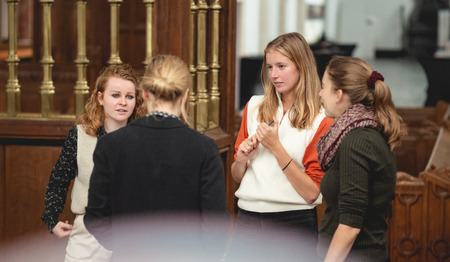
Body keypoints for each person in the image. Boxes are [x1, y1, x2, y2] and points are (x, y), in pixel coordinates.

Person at [83, 54, 228, 260]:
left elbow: (96, 218)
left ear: (145, 94)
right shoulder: (204, 148)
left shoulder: (110, 145)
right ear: (186, 95)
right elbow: (216, 228)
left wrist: (126, 245)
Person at [230, 32, 333, 250]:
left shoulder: (321, 118)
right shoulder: (254, 106)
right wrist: (241, 160)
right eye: (270, 67)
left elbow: (311, 192)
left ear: (301, 67)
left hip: (293, 222)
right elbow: (237, 176)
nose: (274, 75)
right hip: (247, 217)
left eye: (281, 66)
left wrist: (276, 147)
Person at [41, 64, 145, 262]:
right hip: (88, 235)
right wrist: (51, 219)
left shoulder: (143, 140)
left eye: (129, 97)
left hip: (132, 236)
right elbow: (59, 180)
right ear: (100, 98)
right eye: (115, 95)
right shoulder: (79, 136)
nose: (123, 102)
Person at [316, 56, 406, 262]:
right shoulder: (363, 132)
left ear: (339, 94)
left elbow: (350, 227)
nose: (320, 93)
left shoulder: (358, 141)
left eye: (323, 86)